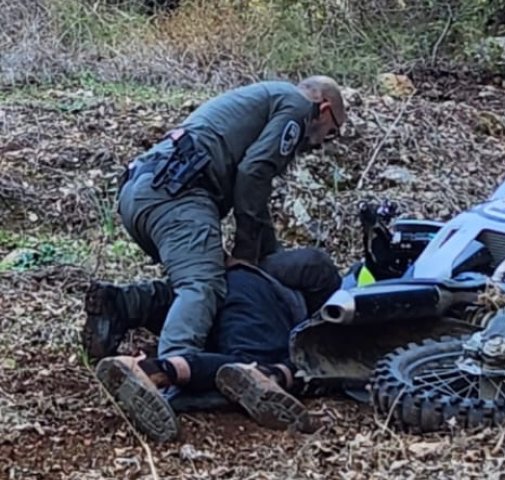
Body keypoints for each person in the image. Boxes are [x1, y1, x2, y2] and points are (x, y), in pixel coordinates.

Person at [109, 76, 347, 392]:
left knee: (206, 279)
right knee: (201, 285)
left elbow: (252, 189)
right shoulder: (298, 107)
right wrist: (248, 253)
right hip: (178, 194)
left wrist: (262, 254)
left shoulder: (267, 99)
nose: (320, 144)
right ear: (325, 108)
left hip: (141, 191)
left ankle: (120, 307)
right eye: (332, 132)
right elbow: (253, 174)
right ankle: (170, 378)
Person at [84, 248, 342, 442]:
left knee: (256, 368)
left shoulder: (202, 276)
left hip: (206, 299)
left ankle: (157, 370)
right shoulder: (320, 287)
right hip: (251, 298)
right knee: (256, 364)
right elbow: (315, 266)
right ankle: (151, 370)